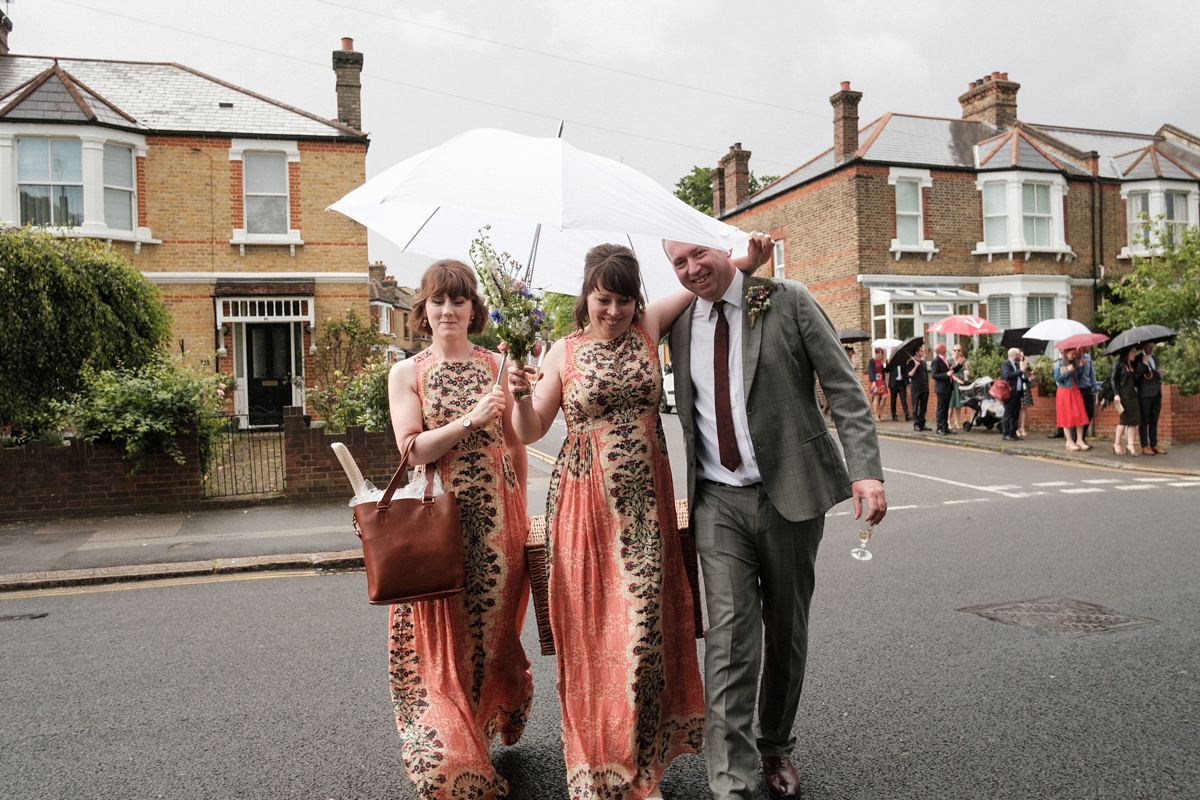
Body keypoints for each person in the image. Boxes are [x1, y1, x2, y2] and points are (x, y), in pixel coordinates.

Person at [508, 238, 767, 800]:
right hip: (584, 512)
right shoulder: (562, 353)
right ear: (587, 295)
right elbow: (530, 431)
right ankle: (604, 769)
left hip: (646, 509)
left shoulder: (649, 326)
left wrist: (750, 257)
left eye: (624, 299)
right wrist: (520, 398)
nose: (614, 311)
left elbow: (706, 279)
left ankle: (638, 764)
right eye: (604, 299)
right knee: (593, 638)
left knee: (643, 636)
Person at [664, 238, 887, 800]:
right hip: (716, 499)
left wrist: (867, 471)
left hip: (789, 491)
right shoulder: (681, 320)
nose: (692, 270)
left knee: (786, 630)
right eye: (678, 263)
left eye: (699, 255)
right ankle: (730, 781)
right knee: (729, 638)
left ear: (723, 245)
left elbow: (842, 386)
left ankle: (776, 745)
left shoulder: (787, 299)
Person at [386, 259, 534, 799]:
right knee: (445, 640)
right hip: (439, 521)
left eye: (459, 300)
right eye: (437, 301)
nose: (448, 310)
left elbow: (516, 443)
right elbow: (412, 450)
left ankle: (480, 733)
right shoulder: (408, 373)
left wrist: (521, 514)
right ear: (424, 310)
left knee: (492, 635)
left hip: (499, 518)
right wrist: (470, 418)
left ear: (475, 309)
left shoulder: (499, 364)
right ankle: (457, 757)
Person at [1053, 347, 1091, 451]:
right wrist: (1068, 372)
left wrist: (1081, 367)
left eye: (1075, 354)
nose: (1074, 356)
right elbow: (1057, 379)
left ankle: (1079, 440)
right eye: (1072, 354)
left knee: (1080, 415)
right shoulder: (1059, 364)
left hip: (1075, 390)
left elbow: (1078, 377)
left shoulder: (1074, 363)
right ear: (1065, 353)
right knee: (1067, 416)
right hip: (1064, 391)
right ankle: (1069, 441)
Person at [1112, 347, 1143, 456]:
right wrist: (1116, 394)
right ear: (1127, 352)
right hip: (1123, 394)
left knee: (1134, 420)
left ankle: (1130, 444)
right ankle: (1117, 443)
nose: (1135, 354)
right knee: (1124, 420)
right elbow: (1113, 379)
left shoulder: (1133, 364)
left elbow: (1136, 380)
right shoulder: (1119, 364)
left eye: (1135, 351)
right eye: (1133, 352)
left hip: (1132, 394)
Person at [1137, 341, 1167, 455]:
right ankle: (1144, 446)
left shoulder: (1155, 358)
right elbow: (1137, 376)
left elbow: (1155, 374)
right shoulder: (1138, 359)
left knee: (1154, 420)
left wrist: (1160, 374)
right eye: (1148, 346)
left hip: (1156, 393)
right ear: (1143, 347)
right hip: (1145, 394)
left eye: (1152, 346)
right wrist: (1144, 364)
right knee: (1144, 421)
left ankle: (1154, 445)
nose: (1150, 348)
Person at [999, 347, 1030, 442]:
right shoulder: (1005, 364)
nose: (1019, 356)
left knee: (1015, 415)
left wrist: (1028, 380)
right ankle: (1006, 433)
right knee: (1008, 414)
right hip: (1010, 392)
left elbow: (1019, 378)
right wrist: (1021, 371)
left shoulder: (1016, 365)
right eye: (1018, 354)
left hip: (1017, 393)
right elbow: (1007, 375)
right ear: (1013, 355)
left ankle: (1013, 433)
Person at [930, 342, 960, 435]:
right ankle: (939, 428)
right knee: (941, 408)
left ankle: (945, 427)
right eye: (943, 346)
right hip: (941, 388)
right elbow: (934, 375)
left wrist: (959, 366)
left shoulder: (945, 359)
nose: (945, 347)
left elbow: (951, 371)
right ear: (941, 350)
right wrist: (946, 374)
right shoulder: (936, 360)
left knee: (946, 408)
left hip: (948, 387)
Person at [908, 344, 930, 432]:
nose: (923, 352)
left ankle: (922, 423)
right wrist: (916, 366)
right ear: (916, 352)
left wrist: (927, 385)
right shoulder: (910, 363)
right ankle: (916, 424)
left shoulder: (924, 363)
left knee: (923, 407)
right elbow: (909, 374)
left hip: (924, 386)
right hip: (915, 387)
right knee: (915, 406)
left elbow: (926, 375)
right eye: (921, 351)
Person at [948, 344, 969, 430]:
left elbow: (966, 370)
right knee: (951, 404)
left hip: (961, 383)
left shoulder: (963, 360)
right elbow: (950, 374)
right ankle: (948, 421)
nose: (957, 352)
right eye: (955, 350)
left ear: (961, 351)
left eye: (959, 350)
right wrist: (957, 380)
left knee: (958, 404)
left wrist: (967, 372)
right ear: (953, 351)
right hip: (952, 383)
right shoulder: (949, 361)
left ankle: (957, 421)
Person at [867, 347, 888, 422]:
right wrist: (873, 381)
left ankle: (881, 413)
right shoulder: (872, 361)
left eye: (880, 353)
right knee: (876, 397)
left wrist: (886, 362)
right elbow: (871, 371)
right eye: (878, 353)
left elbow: (886, 371)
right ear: (876, 353)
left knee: (884, 396)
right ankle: (876, 415)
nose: (879, 355)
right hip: (875, 381)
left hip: (882, 381)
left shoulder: (882, 362)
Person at [1017, 352, 1035, 438]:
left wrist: (1030, 378)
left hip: (1025, 388)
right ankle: (1016, 429)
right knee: (1016, 409)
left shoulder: (1026, 363)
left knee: (1024, 409)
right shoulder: (1014, 364)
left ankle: (1022, 428)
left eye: (1022, 354)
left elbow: (1027, 375)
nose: (1021, 355)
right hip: (1018, 389)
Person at [889, 352, 910, 421]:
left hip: (901, 382)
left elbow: (906, 372)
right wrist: (887, 364)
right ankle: (894, 415)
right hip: (893, 383)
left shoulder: (903, 361)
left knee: (904, 399)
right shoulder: (892, 362)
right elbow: (887, 370)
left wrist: (908, 382)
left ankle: (907, 415)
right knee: (893, 400)